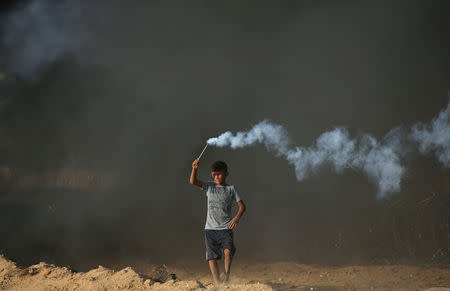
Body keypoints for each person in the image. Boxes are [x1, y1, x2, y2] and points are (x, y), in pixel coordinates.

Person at [190, 159, 246, 285]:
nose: (217, 177)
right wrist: (194, 168)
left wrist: (236, 218)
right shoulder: (209, 186)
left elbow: (242, 206)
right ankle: (217, 283)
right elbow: (193, 181)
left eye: (219, 174)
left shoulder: (231, 189)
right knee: (212, 257)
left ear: (226, 174)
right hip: (210, 229)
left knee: (228, 251)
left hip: (225, 228)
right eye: (214, 174)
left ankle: (226, 276)